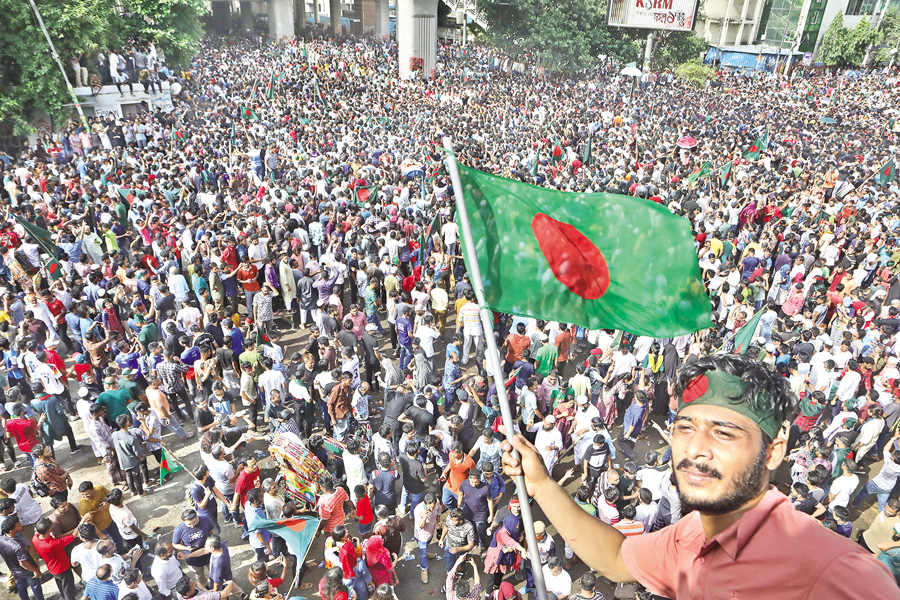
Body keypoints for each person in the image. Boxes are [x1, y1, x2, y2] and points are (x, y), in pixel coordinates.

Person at [500, 354, 899, 597]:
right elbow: (618, 558)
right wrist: (540, 484)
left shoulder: (841, 578)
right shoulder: (692, 534)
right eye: (686, 427)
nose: (696, 448)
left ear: (774, 451)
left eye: (724, 432)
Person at [0, 516, 44, 600]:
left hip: (14, 570)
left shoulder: (1, 539)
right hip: (27, 570)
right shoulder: (17, 545)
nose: (21, 525)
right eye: (18, 525)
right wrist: (36, 570)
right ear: (12, 531)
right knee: (35, 586)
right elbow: (23, 563)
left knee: (21, 587)